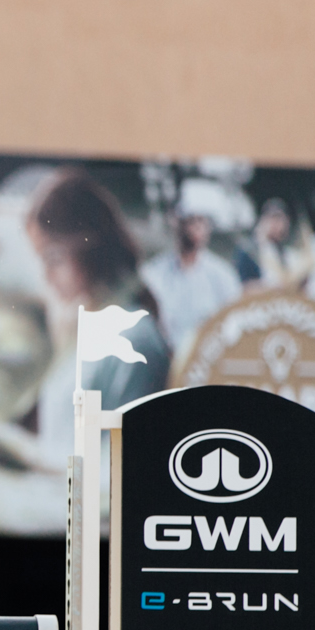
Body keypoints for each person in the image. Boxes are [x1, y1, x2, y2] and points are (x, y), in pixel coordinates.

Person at [24, 169, 171, 455]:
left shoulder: (133, 340)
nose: (46, 276)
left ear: (89, 248)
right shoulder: (89, 334)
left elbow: (125, 461)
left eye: (53, 258)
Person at [139, 207, 241, 349]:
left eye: (201, 221)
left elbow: (234, 322)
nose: (196, 227)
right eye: (190, 221)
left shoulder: (222, 274)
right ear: (176, 224)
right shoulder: (154, 272)